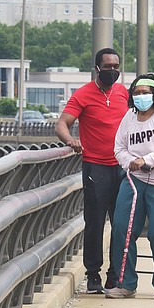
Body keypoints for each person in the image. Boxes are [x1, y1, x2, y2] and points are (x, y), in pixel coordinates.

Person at [55, 48, 129, 294]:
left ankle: (115, 274)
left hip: (121, 166)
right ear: (97, 68)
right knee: (95, 222)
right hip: (95, 166)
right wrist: (71, 141)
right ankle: (93, 274)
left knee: (121, 223)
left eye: (116, 66)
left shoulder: (123, 93)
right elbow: (62, 123)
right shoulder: (83, 95)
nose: (112, 71)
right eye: (107, 66)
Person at [106, 74, 154, 300]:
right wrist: (130, 162)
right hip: (135, 180)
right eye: (137, 93)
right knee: (122, 228)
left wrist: (148, 160)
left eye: (146, 92)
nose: (141, 96)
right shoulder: (129, 118)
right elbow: (119, 147)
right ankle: (126, 283)